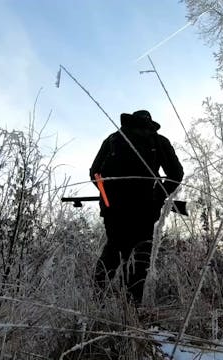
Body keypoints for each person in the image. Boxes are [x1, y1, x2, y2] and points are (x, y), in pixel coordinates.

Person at [90, 109, 184, 305]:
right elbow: (176, 173)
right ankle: (131, 309)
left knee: (113, 253)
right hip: (143, 210)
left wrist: (107, 197)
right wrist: (159, 196)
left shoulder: (114, 138)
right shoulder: (158, 140)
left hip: (116, 210)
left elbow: (95, 173)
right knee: (139, 260)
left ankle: (95, 305)